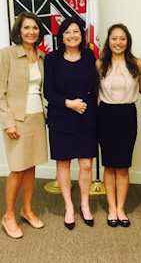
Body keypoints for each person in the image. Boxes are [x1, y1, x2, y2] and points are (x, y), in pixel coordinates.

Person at [0, 12, 48, 239]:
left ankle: (27, 210)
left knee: (31, 165)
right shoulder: (7, 54)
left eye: (35, 28)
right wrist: (8, 123)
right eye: (27, 28)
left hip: (37, 117)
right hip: (16, 120)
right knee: (17, 168)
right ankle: (8, 215)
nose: (31, 32)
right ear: (19, 31)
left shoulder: (42, 55)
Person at [44, 17, 98, 231]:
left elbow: (95, 85)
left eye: (76, 31)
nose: (72, 35)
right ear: (62, 36)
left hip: (87, 119)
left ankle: (84, 203)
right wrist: (69, 103)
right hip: (62, 119)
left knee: (86, 165)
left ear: (82, 35)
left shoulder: (89, 56)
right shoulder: (51, 59)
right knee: (64, 164)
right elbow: (48, 91)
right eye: (67, 32)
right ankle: (68, 206)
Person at [96, 24, 141, 228]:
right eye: (114, 38)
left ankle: (121, 209)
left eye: (122, 38)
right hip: (105, 115)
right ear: (108, 41)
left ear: (128, 41)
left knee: (123, 166)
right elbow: (93, 91)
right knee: (109, 165)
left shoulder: (137, 63)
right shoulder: (99, 64)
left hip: (127, 115)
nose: (118, 42)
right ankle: (112, 209)